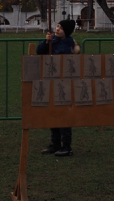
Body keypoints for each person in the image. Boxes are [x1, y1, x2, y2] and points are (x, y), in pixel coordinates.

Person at [37, 19, 80, 157]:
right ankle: (55, 144)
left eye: (61, 28)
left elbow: (64, 58)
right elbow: (39, 51)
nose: (57, 29)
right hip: (51, 81)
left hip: (65, 82)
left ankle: (66, 146)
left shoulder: (70, 44)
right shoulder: (52, 40)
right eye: (57, 26)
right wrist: (47, 42)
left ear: (66, 31)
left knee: (64, 115)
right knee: (53, 113)